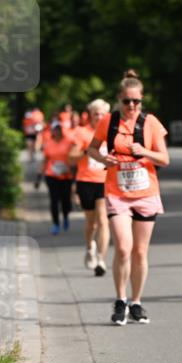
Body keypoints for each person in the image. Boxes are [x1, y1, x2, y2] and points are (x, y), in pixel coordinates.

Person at [87, 71, 169, 325]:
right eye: (127, 101)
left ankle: (136, 302)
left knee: (140, 252)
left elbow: (164, 159)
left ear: (142, 100)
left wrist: (144, 151)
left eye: (136, 101)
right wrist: (103, 158)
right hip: (118, 193)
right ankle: (120, 299)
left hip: (145, 193)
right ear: (119, 100)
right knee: (123, 247)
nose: (132, 106)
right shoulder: (108, 121)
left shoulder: (151, 123)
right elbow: (91, 148)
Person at [69, 98, 112, 275]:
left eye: (102, 114)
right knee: (91, 223)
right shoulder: (82, 132)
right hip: (86, 180)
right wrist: (87, 151)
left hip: (105, 181)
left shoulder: (112, 132)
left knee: (103, 220)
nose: (99, 117)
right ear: (90, 115)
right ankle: (89, 248)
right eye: (96, 114)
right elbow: (71, 158)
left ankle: (101, 259)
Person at [40, 119, 75, 235]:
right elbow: (45, 160)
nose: (57, 131)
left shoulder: (68, 142)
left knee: (65, 200)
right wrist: (39, 174)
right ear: (52, 131)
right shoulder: (48, 143)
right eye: (55, 129)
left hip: (66, 176)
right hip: (52, 175)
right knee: (54, 200)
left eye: (59, 129)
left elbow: (74, 156)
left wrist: (73, 170)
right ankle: (55, 224)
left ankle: (65, 216)